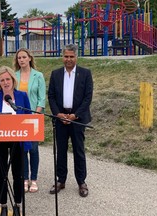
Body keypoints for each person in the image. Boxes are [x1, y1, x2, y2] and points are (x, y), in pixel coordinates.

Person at [48, 44, 93, 197]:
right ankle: (61, 180)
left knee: (78, 150)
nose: (68, 59)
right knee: (60, 151)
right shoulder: (55, 74)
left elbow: (87, 98)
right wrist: (58, 114)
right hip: (60, 118)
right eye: (66, 56)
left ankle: (81, 181)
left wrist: (75, 115)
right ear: (63, 57)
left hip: (77, 118)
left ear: (76, 57)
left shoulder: (85, 74)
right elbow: (51, 96)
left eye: (71, 57)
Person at [0, 66, 31, 216]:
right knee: (2, 175)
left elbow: (28, 118)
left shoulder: (22, 96)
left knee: (17, 175)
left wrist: (26, 144)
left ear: (13, 80)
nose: (5, 82)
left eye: (7, 79)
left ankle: (18, 205)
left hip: (17, 141)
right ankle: (4, 205)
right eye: (2, 80)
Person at [13, 48, 46, 193]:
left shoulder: (38, 76)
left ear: (30, 58)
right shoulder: (14, 76)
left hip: (34, 117)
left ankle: (34, 179)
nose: (21, 60)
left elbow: (41, 98)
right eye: (19, 58)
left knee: (33, 149)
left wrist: (35, 114)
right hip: (18, 119)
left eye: (24, 57)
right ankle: (24, 178)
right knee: (22, 150)